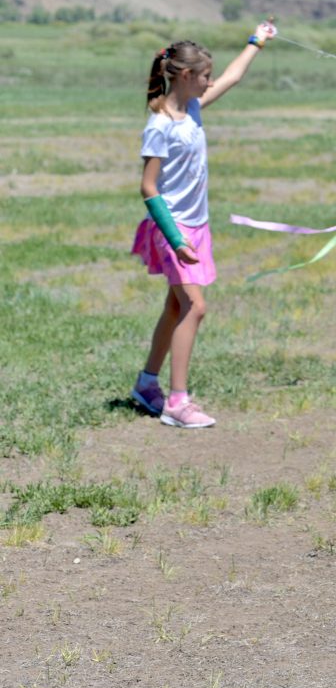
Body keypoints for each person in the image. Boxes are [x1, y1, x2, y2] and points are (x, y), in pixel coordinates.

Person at [130, 22, 275, 428]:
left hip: (195, 225)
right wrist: (175, 238)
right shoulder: (160, 125)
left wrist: (257, 41)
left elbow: (233, 77)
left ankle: (146, 384)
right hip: (172, 229)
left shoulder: (192, 108)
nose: (211, 81)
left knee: (176, 305)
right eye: (205, 75)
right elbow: (148, 187)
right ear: (185, 76)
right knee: (195, 307)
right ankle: (177, 402)